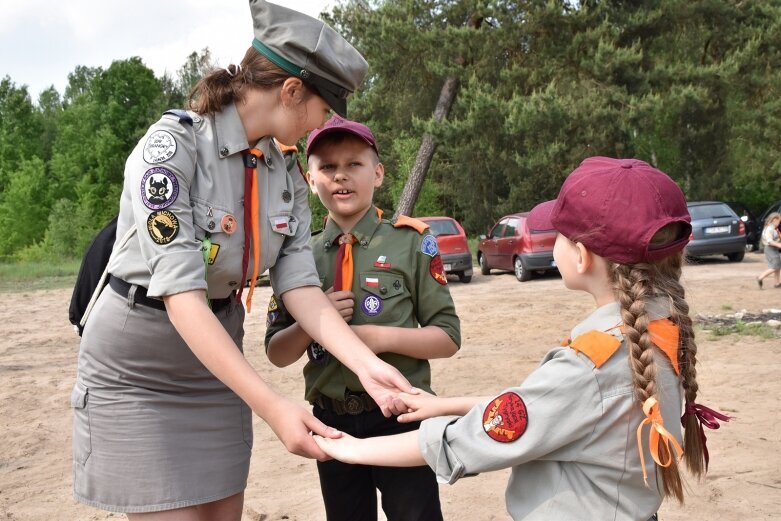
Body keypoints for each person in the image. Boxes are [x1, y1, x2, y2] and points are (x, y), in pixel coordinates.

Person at [70, 1, 413, 518]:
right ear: (292, 91)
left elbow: (299, 286)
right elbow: (182, 296)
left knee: (223, 512)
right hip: (139, 363)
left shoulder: (285, 173)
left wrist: (366, 367)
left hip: (215, 362)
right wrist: (273, 407)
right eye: (325, 107)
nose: (326, 121)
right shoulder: (170, 151)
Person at [315, 157, 732, 521]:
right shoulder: (656, 330)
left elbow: (472, 440)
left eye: (559, 236)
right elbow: (550, 408)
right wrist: (444, 404)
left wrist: (350, 450)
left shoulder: (592, 364)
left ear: (582, 256)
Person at [264, 115, 461, 521]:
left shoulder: (411, 241)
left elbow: (447, 337)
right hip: (332, 422)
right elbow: (277, 353)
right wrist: (312, 324)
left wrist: (374, 338)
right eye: (327, 167)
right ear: (310, 179)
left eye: (354, 164)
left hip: (401, 417)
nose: (341, 177)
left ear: (379, 172)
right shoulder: (295, 254)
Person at [756, 212, 781, 288]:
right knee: (775, 266)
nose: (779, 223)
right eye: (779, 221)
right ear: (774, 220)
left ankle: (777, 283)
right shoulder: (769, 229)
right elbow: (769, 241)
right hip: (770, 249)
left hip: (773, 249)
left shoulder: (773, 228)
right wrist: (779, 245)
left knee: (778, 265)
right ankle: (760, 277)